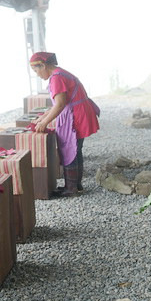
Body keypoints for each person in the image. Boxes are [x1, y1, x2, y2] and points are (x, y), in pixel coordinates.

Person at [29, 52, 100, 197]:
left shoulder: (57, 78)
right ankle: (75, 185)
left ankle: (71, 189)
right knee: (77, 149)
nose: (37, 74)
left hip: (76, 115)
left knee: (71, 150)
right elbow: (59, 103)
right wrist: (43, 117)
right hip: (80, 111)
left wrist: (45, 122)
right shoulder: (60, 73)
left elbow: (60, 104)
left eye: (36, 70)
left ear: (43, 65)